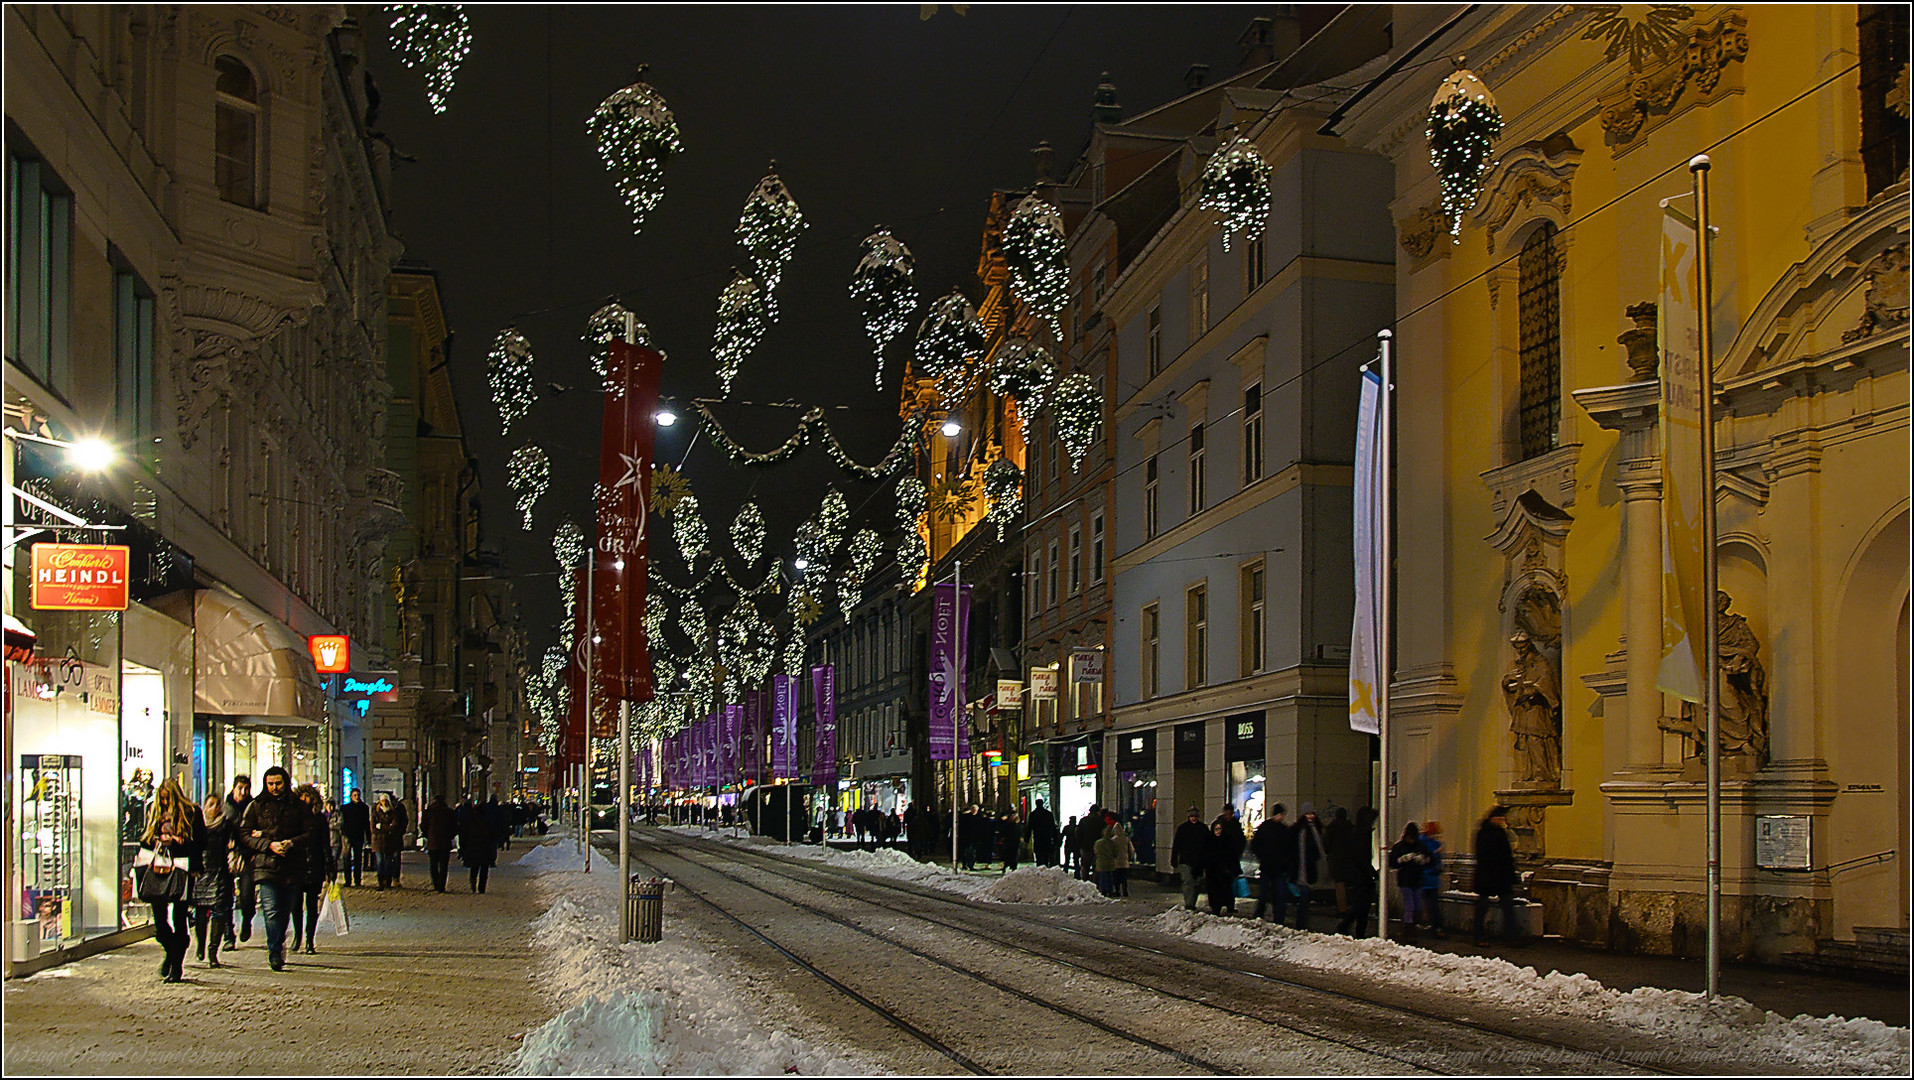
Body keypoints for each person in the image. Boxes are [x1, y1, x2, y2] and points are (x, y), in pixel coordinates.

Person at [238, 767, 309, 971]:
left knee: (285, 911)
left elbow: (309, 833)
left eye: (278, 783)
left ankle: (278, 943)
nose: (274, 788)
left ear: (285, 783)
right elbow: (244, 834)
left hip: (292, 866)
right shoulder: (257, 806)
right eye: (271, 784)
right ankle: (274, 950)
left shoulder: (297, 806)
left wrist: (291, 843)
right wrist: (268, 844)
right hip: (265, 865)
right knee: (271, 910)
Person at [140, 776, 205, 982]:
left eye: (168, 799)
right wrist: (158, 841)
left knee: (179, 916)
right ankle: (172, 953)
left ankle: (176, 967)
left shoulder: (191, 813)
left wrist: (177, 842)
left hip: (182, 868)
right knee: (160, 924)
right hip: (159, 867)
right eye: (163, 799)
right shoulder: (155, 811)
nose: (165, 803)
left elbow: (200, 843)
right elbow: (146, 840)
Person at [191, 793, 236, 969]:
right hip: (201, 873)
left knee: (219, 912)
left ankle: (212, 952)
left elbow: (235, 844)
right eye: (210, 804)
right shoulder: (197, 825)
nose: (214, 808)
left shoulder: (225, 826)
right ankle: (201, 945)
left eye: (217, 805)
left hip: (220, 873)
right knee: (201, 914)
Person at [289, 785, 332, 954]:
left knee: (312, 905)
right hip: (296, 865)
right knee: (295, 904)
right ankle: (297, 937)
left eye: (306, 797)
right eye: (301, 797)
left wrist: (329, 865)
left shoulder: (319, 819)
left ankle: (309, 940)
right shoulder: (292, 817)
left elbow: (325, 844)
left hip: (315, 864)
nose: (303, 800)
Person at [1473, 805, 1521, 945]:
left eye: (1503, 818)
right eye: (1499, 818)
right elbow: (1483, 855)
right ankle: (1478, 935)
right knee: (1483, 905)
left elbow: (1507, 856)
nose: (1502, 820)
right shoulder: (1484, 833)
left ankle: (1512, 936)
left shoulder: (1500, 833)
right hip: (1488, 875)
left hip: (1501, 876)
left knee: (1507, 905)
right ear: (1492, 818)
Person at [221, 775, 254, 948]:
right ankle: (228, 934)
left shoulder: (254, 807)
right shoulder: (225, 808)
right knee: (226, 896)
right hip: (227, 856)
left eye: (246, 788)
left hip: (247, 856)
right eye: (240, 788)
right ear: (233, 788)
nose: (243, 792)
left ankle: (247, 920)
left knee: (247, 895)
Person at [1338, 807, 1378, 936]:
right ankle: (1351, 928)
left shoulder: (1357, 833)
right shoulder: (1361, 835)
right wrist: (1371, 872)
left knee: (1361, 906)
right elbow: (1361, 857)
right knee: (1361, 906)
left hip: (1357, 874)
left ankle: (1353, 929)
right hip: (1359, 876)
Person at [1250, 804, 1294, 923]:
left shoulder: (1269, 828)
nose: (1281, 817)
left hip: (1274, 867)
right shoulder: (1274, 829)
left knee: (1274, 894)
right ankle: (1269, 916)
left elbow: (1254, 845)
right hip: (1271, 866)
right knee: (1269, 894)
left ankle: (1273, 917)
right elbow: (1255, 845)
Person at [1390, 822, 1431, 942]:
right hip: (1406, 880)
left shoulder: (1420, 846)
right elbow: (1392, 862)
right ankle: (1409, 931)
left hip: (1417, 880)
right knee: (1410, 906)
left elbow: (1430, 859)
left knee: (1417, 906)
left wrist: (1423, 860)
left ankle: (1410, 927)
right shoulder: (1400, 847)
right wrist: (1402, 860)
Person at [1291, 806, 1326, 930]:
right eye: (1308, 814)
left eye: (1312, 813)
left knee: (1305, 895)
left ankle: (1302, 923)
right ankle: (1301, 923)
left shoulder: (1314, 829)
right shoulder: (1301, 830)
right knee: (1304, 895)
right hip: (1302, 868)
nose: (1310, 816)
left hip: (1308, 867)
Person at [1170, 806, 1210, 911]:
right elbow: (1177, 844)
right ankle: (1189, 903)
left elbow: (1207, 845)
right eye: (1192, 816)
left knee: (1196, 883)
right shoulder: (1183, 828)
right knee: (1188, 882)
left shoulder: (1202, 829)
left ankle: (1191, 901)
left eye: (1195, 816)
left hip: (1199, 861)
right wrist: (1174, 858)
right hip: (1186, 860)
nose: (1194, 818)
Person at [460, 797, 500, 893]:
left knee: (474, 867)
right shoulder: (488, 821)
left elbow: (464, 834)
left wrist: (463, 848)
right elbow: (493, 835)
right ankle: (482, 888)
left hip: (473, 847)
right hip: (486, 848)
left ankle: (473, 882)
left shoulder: (471, 821)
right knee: (484, 869)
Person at [421, 793, 459, 893]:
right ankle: (441, 885)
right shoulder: (449, 812)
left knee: (433, 864)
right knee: (443, 865)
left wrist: (428, 835)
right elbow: (455, 827)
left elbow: (423, 826)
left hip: (432, 842)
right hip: (445, 842)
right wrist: (450, 836)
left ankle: (436, 884)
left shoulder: (429, 812)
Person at [1203, 819, 1240, 916]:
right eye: (1216, 829)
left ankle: (1226, 905)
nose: (1218, 831)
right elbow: (1204, 855)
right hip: (1212, 871)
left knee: (1225, 889)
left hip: (1224, 870)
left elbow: (1233, 855)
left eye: (1220, 829)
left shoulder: (1227, 840)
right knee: (1214, 891)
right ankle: (1216, 908)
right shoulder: (1209, 840)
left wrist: (1233, 868)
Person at [370, 793, 406, 889]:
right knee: (380, 861)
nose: (384, 802)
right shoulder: (375, 812)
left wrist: (381, 826)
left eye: (386, 801)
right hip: (378, 842)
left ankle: (389, 880)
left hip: (390, 841)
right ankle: (381, 881)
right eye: (382, 801)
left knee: (389, 862)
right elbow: (373, 828)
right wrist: (388, 827)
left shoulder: (393, 812)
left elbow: (394, 825)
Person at [1419, 821, 1447, 938]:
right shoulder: (1427, 843)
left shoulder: (1430, 843)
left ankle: (1433, 926)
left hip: (1429, 879)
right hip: (1425, 879)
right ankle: (1434, 927)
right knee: (1428, 905)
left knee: (1432, 905)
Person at [340, 789, 371, 887]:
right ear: (351, 796)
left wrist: (368, 838)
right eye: (355, 795)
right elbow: (342, 823)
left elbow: (366, 824)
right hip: (347, 836)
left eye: (358, 795)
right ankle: (348, 880)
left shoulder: (364, 808)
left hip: (359, 836)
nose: (357, 797)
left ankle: (357, 880)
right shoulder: (345, 808)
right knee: (346, 859)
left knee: (358, 859)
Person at [1106, 813, 1135, 896]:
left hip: (1116, 862)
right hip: (1124, 861)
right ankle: (1125, 890)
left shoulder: (1113, 840)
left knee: (1116, 877)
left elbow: (1111, 851)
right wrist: (1130, 857)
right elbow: (1131, 849)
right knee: (1124, 877)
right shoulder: (1126, 839)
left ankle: (1117, 891)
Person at [1027, 799, 1059, 867]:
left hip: (1037, 838)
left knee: (1039, 856)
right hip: (1047, 838)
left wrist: (1027, 838)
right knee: (1046, 857)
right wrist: (1055, 839)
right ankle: (1045, 869)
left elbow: (1029, 827)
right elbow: (1052, 827)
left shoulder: (1033, 814)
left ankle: (1040, 869)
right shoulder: (1048, 814)